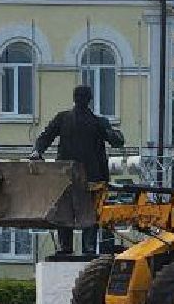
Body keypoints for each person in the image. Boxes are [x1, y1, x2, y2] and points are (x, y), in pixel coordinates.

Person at [29, 83, 125, 257]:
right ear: (77, 99)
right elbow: (46, 136)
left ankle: (85, 248)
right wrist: (37, 151)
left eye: (83, 97)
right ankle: (69, 247)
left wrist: (111, 133)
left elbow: (117, 141)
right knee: (67, 210)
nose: (80, 100)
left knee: (87, 211)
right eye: (79, 97)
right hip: (70, 174)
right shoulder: (64, 118)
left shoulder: (97, 122)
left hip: (89, 176)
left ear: (87, 100)